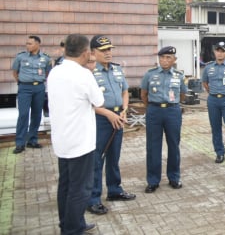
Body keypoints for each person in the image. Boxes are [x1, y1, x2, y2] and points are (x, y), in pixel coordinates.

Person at [48, 34, 104, 234]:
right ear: (86, 53)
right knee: (80, 189)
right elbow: (99, 101)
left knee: (65, 186)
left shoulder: (55, 72)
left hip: (62, 140)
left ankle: (70, 223)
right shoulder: (83, 74)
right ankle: (72, 229)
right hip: (80, 141)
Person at [87, 35, 136, 215]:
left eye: (109, 49)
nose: (108, 53)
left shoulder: (116, 69)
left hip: (118, 117)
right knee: (96, 159)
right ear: (93, 52)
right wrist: (108, 114)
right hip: (101, 118)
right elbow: (88, 103)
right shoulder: (89, 72)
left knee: (114, 157)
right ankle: (93, 199)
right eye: (103, 50)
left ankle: (114, 190)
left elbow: (125, 91)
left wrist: (124, 110)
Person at [140, 46, 188, 193]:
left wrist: (171, 105)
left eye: (168, 57)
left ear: (174, 60)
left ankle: (174, 177)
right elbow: (144, 94)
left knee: (173, 145)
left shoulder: (179, 76)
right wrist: (153, 107)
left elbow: (182, 95)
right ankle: (153, 181)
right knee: (153, 147)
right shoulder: (150, 74)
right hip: (154, 111)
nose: (164, 60)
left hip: (173, 111)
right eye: (162, 57)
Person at [11, 35, 52, 154]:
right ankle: (20, 143)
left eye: (30, 43)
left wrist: (41, 82)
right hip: (24, 88)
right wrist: (21, 82)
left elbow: (48, 72)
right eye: (27, 43)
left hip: (39, 87)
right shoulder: (20, 57)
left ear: (37, 44)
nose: (27, 45)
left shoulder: (46, 58)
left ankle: (32, 140)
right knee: (23, 115)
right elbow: (15, 72)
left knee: (36, 114)